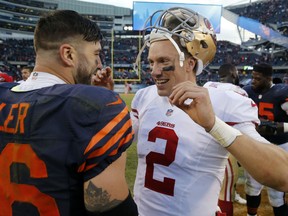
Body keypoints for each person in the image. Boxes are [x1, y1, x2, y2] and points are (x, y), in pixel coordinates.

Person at [129, 7, 288, 216]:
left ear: (190, 63)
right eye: (151, 62)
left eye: (163, 62)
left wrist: (213, 124)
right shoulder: (144, 97)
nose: (154, 71)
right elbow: (115, 142)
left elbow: (282, 174)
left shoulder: (222, 100)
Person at [0, 10, 137, 216]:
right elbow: (110, 210)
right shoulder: (97, 108)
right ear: (68, 54)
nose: (99, 64)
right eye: (96, 54)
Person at [243, 63, 288, 216]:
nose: (253, 81)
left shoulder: (281, 92)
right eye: (252, 77)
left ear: (268, 79)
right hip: (257, 143)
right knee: (252, 185)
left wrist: (279, 127)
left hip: (280, 144)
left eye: (257, 78)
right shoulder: (247, 91)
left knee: (276, 192)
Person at [206, 63, 247, 216]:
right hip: (223, 145)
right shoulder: (239, 92)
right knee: (225, 192)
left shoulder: (207, 85)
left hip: (200, 143)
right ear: (233, 74)